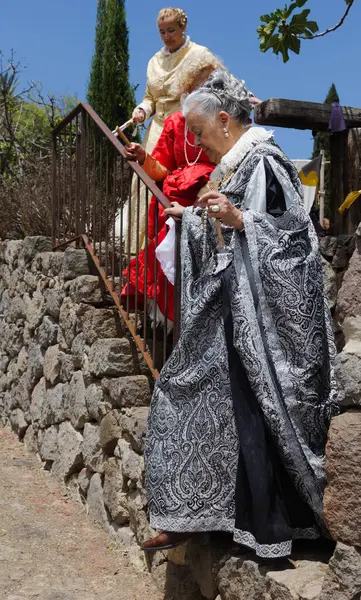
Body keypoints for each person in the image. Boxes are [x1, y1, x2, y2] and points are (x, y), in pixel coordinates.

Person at [142, 70, 340, 558]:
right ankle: (196, 512)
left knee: (251, 415)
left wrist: (239, 220)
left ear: (225, 121)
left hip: (264, 324)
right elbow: (231, 223)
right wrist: (190, 218)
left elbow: (295, 239)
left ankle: (267, 525)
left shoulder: (267, 161)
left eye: (201, 133)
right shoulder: (236, 165)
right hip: (235, 310)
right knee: (193, 394)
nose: (196, 144)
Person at [121, 58, 221, 323]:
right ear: (188, 89)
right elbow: (160, 169)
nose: (207, 91)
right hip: (169, 201)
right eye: (201, 86)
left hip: (206, 198)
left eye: (212, 86)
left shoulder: (224, 121)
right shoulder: (175, 122)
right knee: (166, 254)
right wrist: (143, 157)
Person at [126, 7, 218, 254]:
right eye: (162, 32)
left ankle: (173, 242)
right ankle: (141, 247)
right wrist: (142, 111)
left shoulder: (199, 54)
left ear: (183, 28)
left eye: (171, 30)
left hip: (188, 127)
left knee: (182, 181)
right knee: (144, 181)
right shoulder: (153, 61)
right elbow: (150, 98)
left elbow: (220, 83)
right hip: (158, 128)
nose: (166, 36)